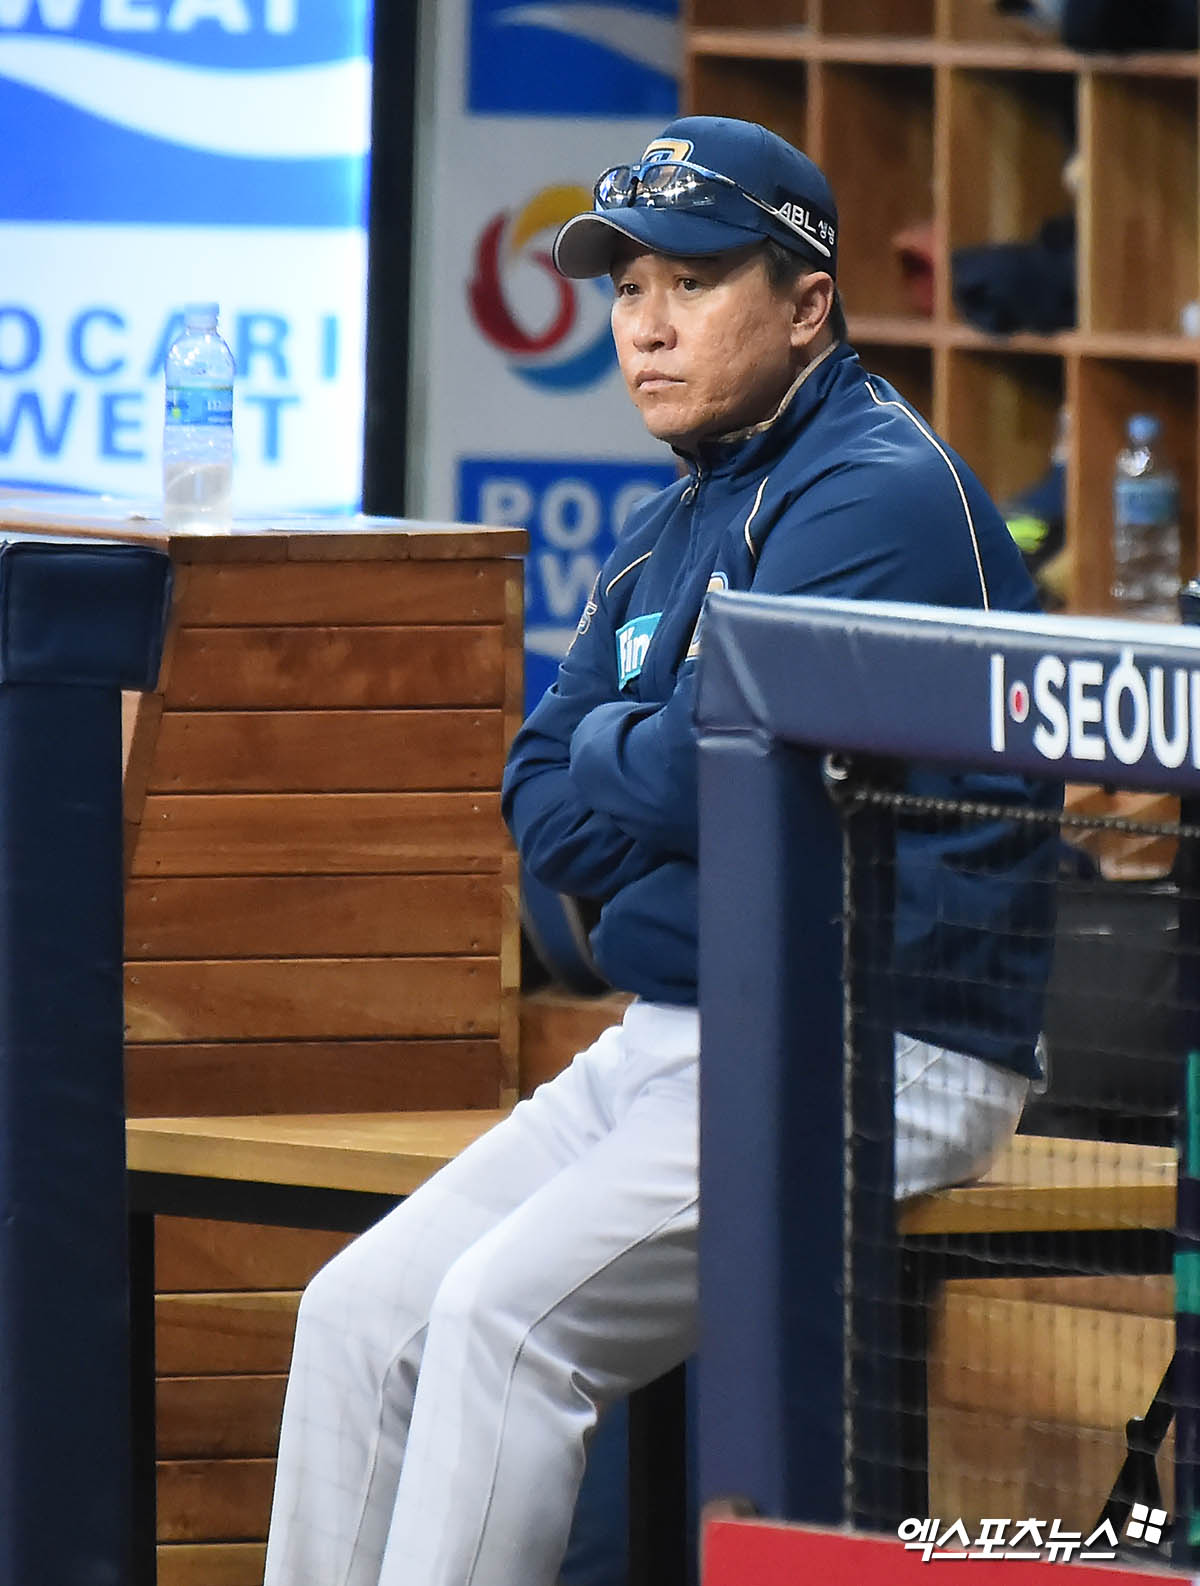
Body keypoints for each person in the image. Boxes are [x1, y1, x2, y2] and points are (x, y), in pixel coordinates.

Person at [262, 114, 1055, 1586]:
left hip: (883, 1045)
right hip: (678, 1037)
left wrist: (653, 767)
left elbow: (710, 773)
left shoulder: (876, 490)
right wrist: (668, 770)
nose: (647, 324)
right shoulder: (671, 524)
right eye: (628, 288)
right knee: (359, 1312)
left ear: (807, 304)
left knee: (504, 1324)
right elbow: (545, 788)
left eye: (692, 281)